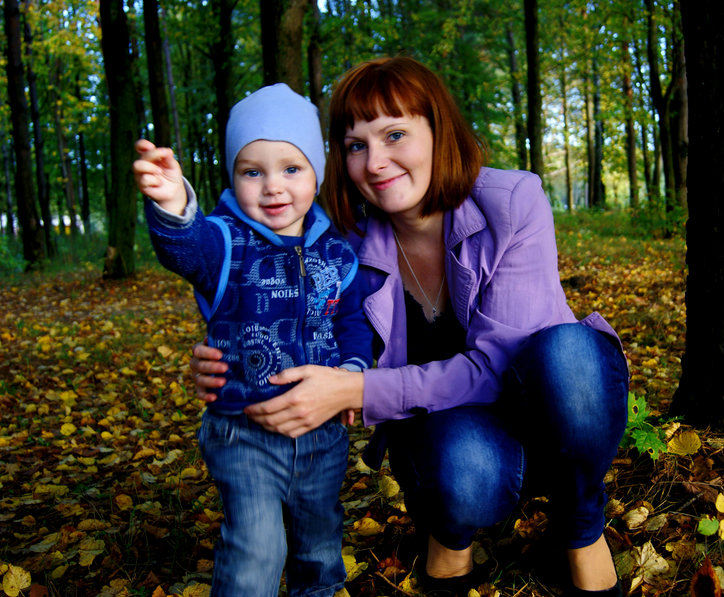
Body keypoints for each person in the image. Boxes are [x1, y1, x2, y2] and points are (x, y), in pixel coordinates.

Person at [191, 57, 628, 596]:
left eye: (395, 134)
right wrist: (230, 356)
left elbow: (499, 364)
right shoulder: (341, 247)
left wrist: (359, 389)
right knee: (465, 470)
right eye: (356, 145)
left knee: (571, 356)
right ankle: (451, 532)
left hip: (543, 408)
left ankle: (580, 529)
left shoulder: (512, 202)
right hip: (456, 438)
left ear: (438, 131)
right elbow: (275, 311)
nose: (376, 162)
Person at [133, 83, 373, 597]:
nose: (273, 187)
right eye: (252, 171)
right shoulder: (225, 242)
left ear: (317, 173)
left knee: (319, 545)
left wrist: (353, 372)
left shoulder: (337, 251)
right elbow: (186, 249)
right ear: (233, 176)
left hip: (322, 435)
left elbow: (351, 321)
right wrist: (172, 203)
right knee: (257, 548)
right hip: (244, 432)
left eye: (292, 168)